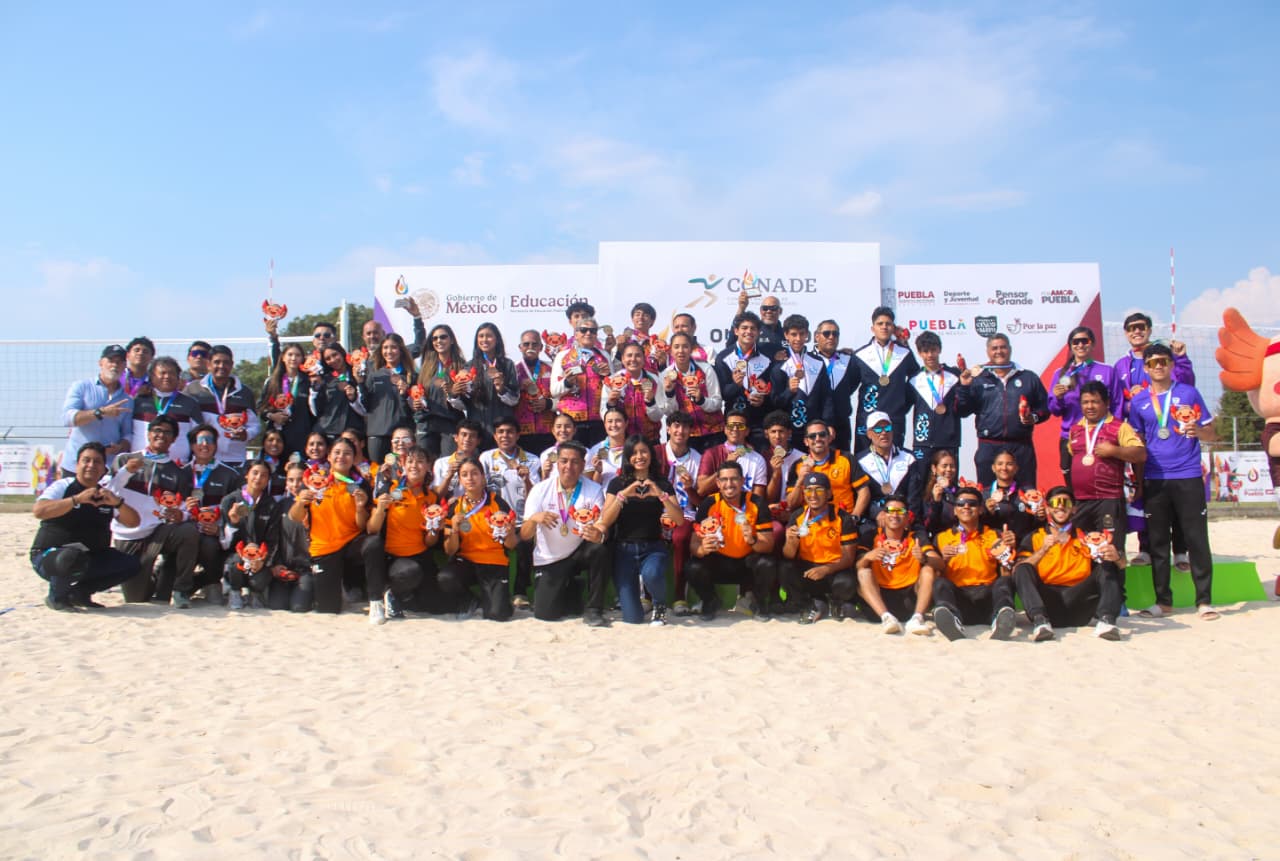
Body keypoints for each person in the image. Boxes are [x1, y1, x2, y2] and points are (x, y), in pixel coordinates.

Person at [1127, 343, 1219, 619]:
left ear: (1171, 364)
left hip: (1188, 475)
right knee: (1157, 542)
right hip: (1155, 478)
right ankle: (1163, 601)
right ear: (1145, 368)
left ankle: (1204, 601)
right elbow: (1137, 442)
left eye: (1163, 361)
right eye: (1152, 362)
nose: (1158, 366)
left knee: (1196, 539)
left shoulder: (1188, 393)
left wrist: (1198, 431)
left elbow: (1212, 433)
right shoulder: (1139, 401)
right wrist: (1138, 482)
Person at [1112, 312, 1195, 569]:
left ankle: (1180, 551)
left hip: (1169, 436)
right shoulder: (1121, 365)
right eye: (1132, 328)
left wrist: (1181, 358)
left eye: (1141, 327)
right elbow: (1117, 402)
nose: (1137, 331)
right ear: (1126, 333)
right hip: (1139, 437)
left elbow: (1186, 385)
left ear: (1149, 329)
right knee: (1144, 493)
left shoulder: (1164, 355)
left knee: (1176, 492)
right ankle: (1146, 548)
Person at [31, 442, 140, 611]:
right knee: (69, 556)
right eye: (86, 460)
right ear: (77, 465)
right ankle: (57, 598)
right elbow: (39, 511)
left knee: (131, 564)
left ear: (103, 468)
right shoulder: (64, 486)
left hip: (89, 557)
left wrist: (117, 503)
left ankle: (79, 593)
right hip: (50, 555)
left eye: (97, 462)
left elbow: (133, 522)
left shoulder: (105, 494)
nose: (91, 465)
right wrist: (76, 500)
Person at [105, 416, 200, 607]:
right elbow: (106, 493)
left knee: (188, 531)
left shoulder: (178, 472)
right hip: (127, 535)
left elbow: (185, 508)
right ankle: (157, 575)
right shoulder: (124, 459)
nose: (161, 435)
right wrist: (126, 472)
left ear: (174, 439)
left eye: (167, 432)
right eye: (157, 430)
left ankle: (180, 589)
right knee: (136, 598)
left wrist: (182, 515)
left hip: (158, 532)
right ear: (148, 434)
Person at [1012, 487, 1124, 640]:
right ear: (1047, 508)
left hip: (1079, 601)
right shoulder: (1035, 537)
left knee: (1108, 564)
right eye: (1055, 503)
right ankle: (1040, 621)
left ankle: (1107, 621)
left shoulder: (1087, 538)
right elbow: (1017, 570)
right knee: (1023, 568)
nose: (1060, 506)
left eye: (1066, 502)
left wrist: (1117, 557)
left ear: (1074, 508)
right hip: (1047, 603)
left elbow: (1122, 565)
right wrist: (1042, 550)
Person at [519, 441, 610, 625]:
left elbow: (602, 527)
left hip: (579, 552)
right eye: (564, 461)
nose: (569, 466)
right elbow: (524, 535)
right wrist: (535, 519)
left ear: (583, 465)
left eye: (575, 462)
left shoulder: (594, 489)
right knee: (545, 614)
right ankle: (572, 588)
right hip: (550, 558)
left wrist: (598, 534)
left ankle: (594, 609)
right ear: (557, 463)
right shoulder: (540, 490)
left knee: (600, 550)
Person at [598, 436, 684, 624]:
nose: (639, 457)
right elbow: (605, 520)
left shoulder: (662, 483)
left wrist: (661, 495)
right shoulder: (617, 483)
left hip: (652, 547)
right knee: (633, 618)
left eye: (644, 451)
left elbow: (679, 519)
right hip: (623, 550)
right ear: (628, 457)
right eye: (634, 453)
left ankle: (660, 606)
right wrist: (623, 496)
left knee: (652, 574)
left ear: (651, 455)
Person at [288, 436, 371, 614]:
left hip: (351, 546)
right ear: (329, 456)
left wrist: (360, 507)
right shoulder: (314, 480)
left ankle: (368, 592)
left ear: (354, 457)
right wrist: (301, 502)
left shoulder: (360, 485)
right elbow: (294, 516)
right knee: (328, 609)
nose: (341, 457)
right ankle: (332, 586)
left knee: (374, 543)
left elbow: (363, 526)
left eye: (347, 453)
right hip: (324, 548)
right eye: (337, 452)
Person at [955, 333, 1049, 487]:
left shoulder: (1028, 377)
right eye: (994, 348)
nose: (999, 351)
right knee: (987, 495)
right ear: (988, 352)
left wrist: (1033, 417)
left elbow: (1045, 407)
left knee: (1026, 494)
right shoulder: (978, 379)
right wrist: (964, 387)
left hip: (1021, 447)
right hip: (988, 447)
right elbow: (962, 411)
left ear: (1010, 349)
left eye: (1003, 347)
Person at [363, 444, 444, 622]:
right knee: (409, 572)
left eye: (420, 461)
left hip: (420, 555)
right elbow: (372, 529)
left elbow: (429, 543)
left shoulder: (431, 497)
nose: (414, 465)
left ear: (428, 466)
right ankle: (388, 592)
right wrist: (381, 509)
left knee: (435, 606)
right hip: (394, 558)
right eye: (410, 461)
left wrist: (434, 529)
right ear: (403, 465)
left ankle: (401, 598)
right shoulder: (390, 489)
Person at [686, 460, 776, 620]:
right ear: (718, 483)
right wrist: (702, 549)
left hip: (747, 564)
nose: (729, 484)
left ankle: (760, 602)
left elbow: (768, 545)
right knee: (693, 567)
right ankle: (710, 601)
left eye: (734, 479)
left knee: (767, 564)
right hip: (718, 562)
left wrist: (753, 540)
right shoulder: (709, 504)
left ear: (742, 481)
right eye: (724, 479)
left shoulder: (756, 502)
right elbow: (694, 544)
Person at [1067, 381, 1146, 560]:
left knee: (1111, 553)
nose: (1090, 406)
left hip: (1108, 500)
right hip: (1081, 501)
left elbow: (1140, 454)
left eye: (1095, 402)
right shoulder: (1075, 429)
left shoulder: (1120, 427)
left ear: (1107, 403)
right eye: (1085, 402)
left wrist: (1114, 451)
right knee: (1082, 555)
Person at [930, 486, 1018, 641]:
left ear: (981, 509)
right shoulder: (941, 538)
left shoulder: (995, 535)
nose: (966, 507)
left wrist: (1007, 552)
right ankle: (952, 621)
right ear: (955, 510)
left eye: (972, 504)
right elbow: (935, 573)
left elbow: (1006, 570)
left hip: (987, 596)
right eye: (961, 503)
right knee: (940, 583)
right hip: (959, 598)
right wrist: (943, 560)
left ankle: (1001, 620)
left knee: (1004, 582)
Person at [437, 457, 519, 622]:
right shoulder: (455, 506)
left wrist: (509, 533)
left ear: (483, 477)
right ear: (460, 480)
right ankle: (470, 599)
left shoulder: (498, 503)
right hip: (466, 562)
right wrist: (454, 529)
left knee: (497, 614)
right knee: (445, 578)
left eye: (474, 473)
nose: (470, 478)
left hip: (494, 561)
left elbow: (511, 545)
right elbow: (450, 550)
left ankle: (499, 600)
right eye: (464, 474)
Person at [1048, 327, 1125, 486]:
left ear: (1093, 344)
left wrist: (1113, 433)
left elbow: (1117, 404)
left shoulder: (1107, 371)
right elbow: (1054, 410)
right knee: (1074, 486)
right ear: (1070, 346)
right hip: (1071, 437)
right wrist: (1058, 398)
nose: (1080, 345)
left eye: (1085, 341)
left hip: (1101, 436)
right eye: (1076, 342)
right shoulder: (1061, 374)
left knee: (1103, 483)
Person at [779, 472, 858, 624]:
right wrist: (790, 541)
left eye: (819, 490)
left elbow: (848, 558)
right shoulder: (797, 516)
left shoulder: (842, 517)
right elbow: (788, 555)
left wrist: (826, 569)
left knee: (846, 584)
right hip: (808, 569)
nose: (813, 495)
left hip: (834, 569)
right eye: (809, 490)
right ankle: (810, 604)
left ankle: (835, 601)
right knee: (785, 568)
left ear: (828, 493)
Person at [854, 494, 939, 635]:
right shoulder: (871, 535)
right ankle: (886, 618)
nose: (895, 515)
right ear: (883, 515)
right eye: (890, 510)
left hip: (909, 598)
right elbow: (857, 566)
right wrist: (867, 557)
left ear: (907, 517)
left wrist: (924, 558)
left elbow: (940, 564)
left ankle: (917, 619)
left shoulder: (916, 537)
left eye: (900, 511)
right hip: (879, 600)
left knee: (929, 569)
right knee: (863, 571)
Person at [482, 416, 541, 609]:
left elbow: (536, 495)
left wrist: (526, 479)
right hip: (494, 520)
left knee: (525, 546)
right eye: (500, 432)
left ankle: (520, 592)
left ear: (518, 435)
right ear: (494, 436)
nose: (505, 436)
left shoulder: (531, 460)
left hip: (522, 520)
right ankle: (495, 590)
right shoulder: (486, 458)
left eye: (509, 432)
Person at [182, 424, 244, 601]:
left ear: (216, 445)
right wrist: (184, 509)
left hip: (215, 534)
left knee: (209, 545)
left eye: (209, 440)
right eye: (200, 441)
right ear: (192, 445)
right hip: (186, 530)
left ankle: (210, 583)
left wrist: (219, 529)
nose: (205, 445)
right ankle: (180, 583)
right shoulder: (181, 473)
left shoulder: (230, 475)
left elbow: (237, 512)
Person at [851, 307, 920, 452]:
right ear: (873, 328)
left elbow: (917, 381)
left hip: (894, 419)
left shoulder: (904, 353)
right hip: (867, 420)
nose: (884, 327)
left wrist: (903, 404)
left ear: (893, 328)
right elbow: (848, 387)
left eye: (888, 324)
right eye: (880, 323)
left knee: (895, 459)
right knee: (863, 460)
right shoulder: (860, 355)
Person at [654, 410, 702, 616]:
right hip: (657, 511)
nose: (680, 431)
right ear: (668, 429)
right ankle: (647, 595)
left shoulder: (697, 459)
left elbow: (700, 502)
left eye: (685, 427)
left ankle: (679, 596)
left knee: (681, 538)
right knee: (648, 533)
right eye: (676, 426)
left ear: (690, 431)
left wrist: (690, 488)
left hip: (685, 513)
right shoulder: (656, 453)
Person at [60, 344, 134, 476]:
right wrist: (100, 412)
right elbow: (67, 418)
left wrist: (120, 447)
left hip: (107, 468)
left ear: (124, 366)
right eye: (110, 360)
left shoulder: (127, 399)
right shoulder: (81, 387)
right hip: (76, 466)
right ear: (101, 363)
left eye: (119, 362)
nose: (114, 365)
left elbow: (127, 434)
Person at [184, 344, 260, 469]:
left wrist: (246, 434)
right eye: (217, 362)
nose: (221, 366)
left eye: (226, 362)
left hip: (235, 458)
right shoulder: (193, 389)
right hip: (203, 458)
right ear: (208, 364)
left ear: (232, 364)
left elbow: (255, 425)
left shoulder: (245, 392)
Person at [222, 461, 283, 610]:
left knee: (259, 580)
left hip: (259, 556)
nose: (258, 478)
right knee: (235, 564)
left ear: (268, 480)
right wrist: (233, 523)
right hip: (235, 555)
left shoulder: (271, 505)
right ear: (246, 475)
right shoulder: (230, 501)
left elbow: (273, 539)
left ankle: (256, 593)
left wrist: (263, 560)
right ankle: (234, 591)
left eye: (264, 475)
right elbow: (224, 543)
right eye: (255, 473)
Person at [786, 418, 871, 518]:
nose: (817, 439)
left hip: (844, 520)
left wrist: (854, 517)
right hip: (811, 523)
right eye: (812, 436)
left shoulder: (846, 459)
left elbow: (864, 491)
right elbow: (791, 504)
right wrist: (800, 480)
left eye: (822, 435)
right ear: (806, 441)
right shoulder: (798, 465)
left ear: (829, 438)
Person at [714, 311, 775, 450]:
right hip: (734, 421)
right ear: (736, 331)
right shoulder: (723, 357)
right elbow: (722, 394)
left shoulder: (767, 358)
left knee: (760, 457)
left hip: (758, 421)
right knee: (734, 459)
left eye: (753, 328)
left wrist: (763, 399)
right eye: (744, 328)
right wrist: (736, 385)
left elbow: (773, 391)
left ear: (758, 332)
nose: (749, 331)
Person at [550, 317, 614, 446]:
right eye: (584, 330)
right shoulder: (563, 356)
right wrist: (567, 383)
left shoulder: (604, 356)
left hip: (598, 420)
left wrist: (607, 376)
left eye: (593, 331)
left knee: (597, 457)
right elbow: (554, 391)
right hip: (571, 422)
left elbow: (614, 388)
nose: (588, 333)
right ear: (576, 334)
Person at [127, 356, 203, 464]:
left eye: (172, 373)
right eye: (162, 373)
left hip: (177, 466)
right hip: (139, 465)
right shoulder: (137, 401)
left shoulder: (190, 403)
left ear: (178, 377)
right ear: (152, 377)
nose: (167, 376)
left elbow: (199, 436)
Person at [660, 331, 724, 452]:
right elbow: (669, 412)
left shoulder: (706, 369)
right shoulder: (665, 376)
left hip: (712, 432)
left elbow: (717, 402)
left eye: (685, 346)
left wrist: (702, 400)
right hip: (684, 435)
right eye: (676, 347)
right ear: (670, 351)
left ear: (691, 349)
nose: (681, 351)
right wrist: (669, 393)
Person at [412, 323, 469, 459]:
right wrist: (417, 403)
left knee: (447, 464)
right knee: (423, 463)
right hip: (427, 423)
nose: (439, 341)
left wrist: (453, 393)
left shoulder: (462, 365)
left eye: (443, 337)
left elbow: (466, 400)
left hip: (450, 423)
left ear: (452, 340)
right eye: (435, 338)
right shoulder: (426, 366)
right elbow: (419, 393)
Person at [906, 331, 963, 464]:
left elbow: (964, 405)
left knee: (948, 477)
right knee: (920, 477)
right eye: (925, 351)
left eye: (933, 350)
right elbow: (902, 406)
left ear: (939, 350)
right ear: (919, 353)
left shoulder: (954, 376)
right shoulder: (914, 379)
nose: (930, 355)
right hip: (923, 441)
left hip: (948, 441)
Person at [462, 322, 520, 448]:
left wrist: (501, 389)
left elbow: (514, 400)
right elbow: (465, 400)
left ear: (497, 339)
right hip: (477, 428)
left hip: (501, 429)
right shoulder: (469, 366)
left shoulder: (507, 364)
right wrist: (457, 391)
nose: (484, 340)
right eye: (481, 336)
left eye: (489, 336)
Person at [771, 314, 824, 450]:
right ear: (786, 335)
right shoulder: (778, 366)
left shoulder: (817, 362)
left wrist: (828, 423)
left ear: (807, 335)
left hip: (813, 429)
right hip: (789, 431)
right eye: (794, 334)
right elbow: (774, 403)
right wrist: (789, 391)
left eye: (802, 334)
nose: (798, 339)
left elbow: (826, 397)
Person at [268, 462, 315, 612]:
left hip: (308, 568)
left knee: (299, 607)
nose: (295, 484)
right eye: (290, 480)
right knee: (277, 606)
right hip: (285, 567)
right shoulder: (281, 505)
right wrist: (274, 565)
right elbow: (273, 538)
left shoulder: (317, 504)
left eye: (300, 479)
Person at [362, 333, 416, 463]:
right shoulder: (375, 376)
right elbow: (364, 404)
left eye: (393, 347)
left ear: (401, 350)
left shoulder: (411, 376)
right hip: (378, 434)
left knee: (402, 469)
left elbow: (417, 407)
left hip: (402, 435)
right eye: (385, 348)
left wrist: (406, 393)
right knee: (379, 470)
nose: (389, 351)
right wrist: (359, 383)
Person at [806, 320, 859, 452]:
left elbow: (853, 383)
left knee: (843, 461)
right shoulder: (807, 360)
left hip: (841, 425)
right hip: (814, 424)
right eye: (826, 333)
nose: (831, 337)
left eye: (835, 334)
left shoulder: (848, 359)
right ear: (817, 336)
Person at [601, 341, 669, 443]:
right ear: (623, 359)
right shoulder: (612, 381)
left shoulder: (654, 380)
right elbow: (604, 414)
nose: (633, 359)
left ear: (644, 359)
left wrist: (651, 402)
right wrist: (611, 404)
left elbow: (657, 417)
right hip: (622, 441)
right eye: (629, 355)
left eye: (638, 356)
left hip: (650, 440)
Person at [694, 409, 767, 499]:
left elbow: (758, 498)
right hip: (717, 506)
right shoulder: (711, 453)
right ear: (725, 429)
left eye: (740, 426)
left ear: (747, 431)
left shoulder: (758, 459)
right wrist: (726, 465)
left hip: (747, 507)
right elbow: (701, 490)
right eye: (731, 426)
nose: (735, 429)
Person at [855, 411, 917, 518]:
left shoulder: (909, 458)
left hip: (902, 516)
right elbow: (859, 496)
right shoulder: (859, 461)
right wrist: (877, 513)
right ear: (869, 434)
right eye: (878, 429)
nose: (883, 433)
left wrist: (908, 517)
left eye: (887, 428)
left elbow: (914, 497)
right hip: (874, 519)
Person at [258, 342, 314, 461]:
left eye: (297, 355)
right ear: (283, 357)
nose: (293, 358)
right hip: (276, 437)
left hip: (300, 436)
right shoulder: (273, 381)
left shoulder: (308, 381)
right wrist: (272, 416)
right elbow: (260, 407)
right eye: (290, 354)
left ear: (302, 358)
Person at [308, 345, 366, 441]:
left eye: (335, 355)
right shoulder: (325, 379)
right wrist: (315, 388)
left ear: (342, 353)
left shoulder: (357, 374)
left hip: (353, 431)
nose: (333, 360)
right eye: (328, 358)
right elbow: (316, 410)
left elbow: (366, 406)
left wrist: (354, 397)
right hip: (329, 430)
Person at [981, 448, 1039, 544]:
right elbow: (979, 526)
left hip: (1022, 546)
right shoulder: (984, 495)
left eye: (1009, 464)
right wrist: (987, 512)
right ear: (993, 468)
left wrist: (1040, 517)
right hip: (994, 546)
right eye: (1000, 464)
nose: (1004, 468)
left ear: (1016, 468)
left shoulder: (1027, 493)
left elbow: (1036, 524)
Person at [513, 329, 557, 455]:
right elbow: (505, 398)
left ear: (541, 347)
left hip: (548, 431)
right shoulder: (513, 370)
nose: (530, 347)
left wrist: (548, 403)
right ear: (520, 347)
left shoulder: (552, 368)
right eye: (526, 344)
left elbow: (564, 398)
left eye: (534, 344)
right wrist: (517, 388)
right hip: (521, 433)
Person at [433, 419, 485, 499]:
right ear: (456, 437)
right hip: (449, 506)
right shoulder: (441, 463)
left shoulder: (482, 463)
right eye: (464, 435)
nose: (467, 439)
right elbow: (437, 496)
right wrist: (449, 476)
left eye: (472, 436)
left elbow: (485, 492)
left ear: (478, 441)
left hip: (475, 506)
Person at [919, 449, 962, 535]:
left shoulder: (960, 492)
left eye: (952, 466)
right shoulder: (926, 494)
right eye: (944, 466)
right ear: (934, 468)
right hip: (939, 537)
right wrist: (936, 502)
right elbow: (928, 525)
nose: (949, 469)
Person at [585, 407, 629, 488]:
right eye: (610, 421)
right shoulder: (597, 450)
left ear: (626, 423)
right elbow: (592, 487)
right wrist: (598, 471)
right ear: (604, 424)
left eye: (618, 421)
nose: (614, 425)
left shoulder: (634, 448)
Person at [734, 290, 784, 358]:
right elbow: (732, 344)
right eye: (765, 308)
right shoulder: (753, 330)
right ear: (760, 311)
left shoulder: (786, 333)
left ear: (780, 311)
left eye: (773, 308)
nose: (769, 311)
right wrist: (741, 308)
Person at [540, 412, 577, 479]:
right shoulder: (545, 455)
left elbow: (588, 482)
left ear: (574, 430)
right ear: (553, 431)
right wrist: (545, 474)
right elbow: (544, 484)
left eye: (567, 426)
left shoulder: (584, 453)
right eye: (558, 426)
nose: (563, 430)